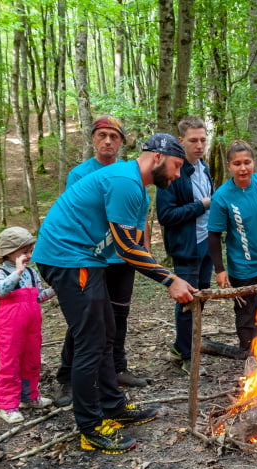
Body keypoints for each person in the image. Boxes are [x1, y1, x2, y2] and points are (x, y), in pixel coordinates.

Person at [32, 132, 197, 454]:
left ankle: (113, 406)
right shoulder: (124, 180)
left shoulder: (140, 191)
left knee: (106, 334)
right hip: (66, 258)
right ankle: (90, 427)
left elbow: (133, 245)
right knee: (91, 341)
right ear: (158, 157)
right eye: (177, 166)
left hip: (86, 259)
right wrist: (169, 280)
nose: (178, 175)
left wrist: (166, 276)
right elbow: (125, 248)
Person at [54, 116, 148, 409]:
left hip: (122, 257)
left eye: (113, 136)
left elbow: (139, 218)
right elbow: (75, 216)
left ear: (121, 142)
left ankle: (117, 368)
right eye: (102, 135)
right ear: (93, 139)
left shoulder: (131, 173)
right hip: (90, 259)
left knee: (118, 315)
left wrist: (143, 253)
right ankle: (67, 376)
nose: (107, 141)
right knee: (85, 320)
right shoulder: (80, 174)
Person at [207, 139, 257, 357]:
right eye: (237, 164)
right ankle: (249, 353)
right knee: (246, 313)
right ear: (229, 166)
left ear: (254, 162)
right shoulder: (222, 196)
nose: (243, 168)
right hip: (242, 267)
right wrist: (219, 269)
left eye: (247, 162)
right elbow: (214, 234)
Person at [156, 117, 213, 376]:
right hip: (185, 247)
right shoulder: (171, 172)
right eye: (193, 140)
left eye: (203, 139)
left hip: (207, 244)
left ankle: (181, 347)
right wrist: (200, 205)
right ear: (181, 141)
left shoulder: (204, 167)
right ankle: (188, 356)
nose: (199, 145)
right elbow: (166, 215)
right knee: (187, 301)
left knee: (200, 300)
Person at [0, 227, 55, 424]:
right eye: (24, 252)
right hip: (9, 326)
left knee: (32, 360)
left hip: (31, 324)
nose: (28, 256)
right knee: (10, 363)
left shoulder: (31, 273)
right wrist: (17, 272)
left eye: (30, 251)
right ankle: (8, 405)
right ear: (9, 253)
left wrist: (56, 288)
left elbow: (39, 296)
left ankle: (29, 396)